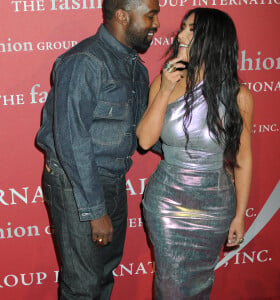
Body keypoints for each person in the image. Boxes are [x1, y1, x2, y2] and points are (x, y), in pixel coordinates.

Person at [36, 0, 160, 299]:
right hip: (75, 183)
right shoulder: (85, 61)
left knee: (104, 275)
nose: (156, 24)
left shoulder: (135, 68)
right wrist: (95, 210)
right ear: (122, 15)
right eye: (151, 15)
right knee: (83, 285)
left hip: (112, 181)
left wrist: (191, 153)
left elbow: (144, 133)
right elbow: (71, 139)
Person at [137, 8, 253, 299]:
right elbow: (145, 140)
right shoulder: (166, 82)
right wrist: (164, 89)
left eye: (191, 30)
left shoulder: (239, 95)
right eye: (183, 28)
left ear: (213, 40)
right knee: (170, 283)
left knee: (201, 282)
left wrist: (239, 215)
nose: (181, 35)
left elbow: (242, 159)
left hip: (215, 203)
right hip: (167, 201)